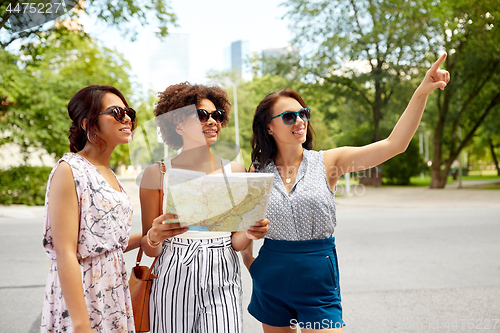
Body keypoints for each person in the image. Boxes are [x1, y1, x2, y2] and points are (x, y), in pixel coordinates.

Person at [245, 54, 450, 332]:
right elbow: (244, 225)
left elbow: (395, 144)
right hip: (270, 274)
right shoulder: (256, 173)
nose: (300, 121)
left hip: (317, 274)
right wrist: (250, 263)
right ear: (268, 127)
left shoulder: (329, 162)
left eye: (304, 114)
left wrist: (422, 91)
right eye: (289, 116)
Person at [139, 82, 270, 333]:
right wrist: (154, 237)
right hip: (174, 269)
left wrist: (251, 232)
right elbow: (149, 248)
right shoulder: (156, 174)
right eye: (202, 115)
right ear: (177, 124)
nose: (212, 121)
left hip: (223, 270)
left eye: (217, 115)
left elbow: (236, 242)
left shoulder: (235, 171)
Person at [41, 85, 142, 333]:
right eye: (117, 112)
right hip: (83, 296)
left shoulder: (109, 173)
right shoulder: (70, 169)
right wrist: (80, 323)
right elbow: (66, 252)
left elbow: (104, 245)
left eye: (129, 111)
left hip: (113, 294)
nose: (127, 117)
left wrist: (150, 236)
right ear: (88, 124)